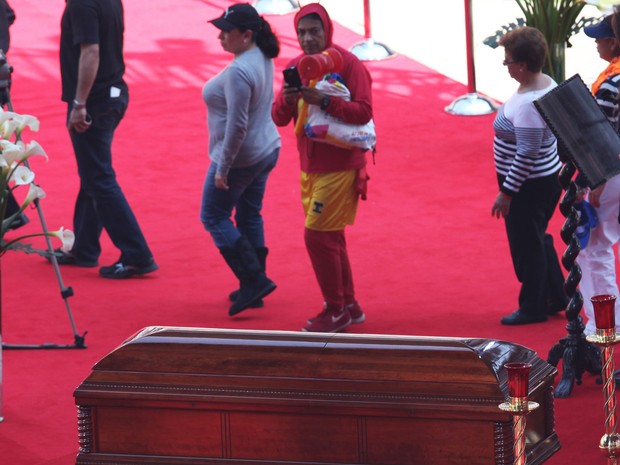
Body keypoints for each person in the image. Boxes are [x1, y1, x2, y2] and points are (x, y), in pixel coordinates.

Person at [272, 3, 372, 333]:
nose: (308, 38)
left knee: (316, 236)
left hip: (341, 166)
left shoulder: (350, 64)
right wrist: (289, 97)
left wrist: (325, 101)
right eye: (301, 32)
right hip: (310, 168)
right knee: (331, 237)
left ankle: (336, 308)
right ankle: (350, 305)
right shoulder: (296, 66)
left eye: (314, 31)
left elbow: (364, 112)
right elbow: (279, 118)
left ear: (327, 30)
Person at [57, 0, 157, 279]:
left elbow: (91, 53)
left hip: (93, 101)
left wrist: (79, 103)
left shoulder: (81, 3)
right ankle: (85, 248)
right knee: (93, 174)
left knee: (99, 178)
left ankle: (137, 254)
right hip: (112, 94)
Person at [201, 3, 280, 316]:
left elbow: (237, 125)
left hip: (242, 158)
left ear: (246, 35)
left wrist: (223, 167)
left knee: (213, 215)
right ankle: (255, 285)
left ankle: (254, 279)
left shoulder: (237, 71)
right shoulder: (261, 52)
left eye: (226, 31)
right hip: (267, 149)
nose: (220, 36)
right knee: (249, 215)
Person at [491, 26, 567, 325]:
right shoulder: (546, 82)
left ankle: (533, 306)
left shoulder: (526, 106)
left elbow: (526, 154)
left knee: (526, 246)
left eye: (507, 60)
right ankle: (556, 294)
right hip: (543, 179)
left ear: (522, 65)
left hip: (528, 185)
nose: (505, 66)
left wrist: (506, 193)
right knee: (536, 237)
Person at [576, 15, 620, 335]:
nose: (597, 41)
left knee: (596, 248)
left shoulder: (612, 83)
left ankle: (603, 323)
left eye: (602, 37)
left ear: (615, 42)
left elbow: (599, 137)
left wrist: (592, 178)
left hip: (609, 173)